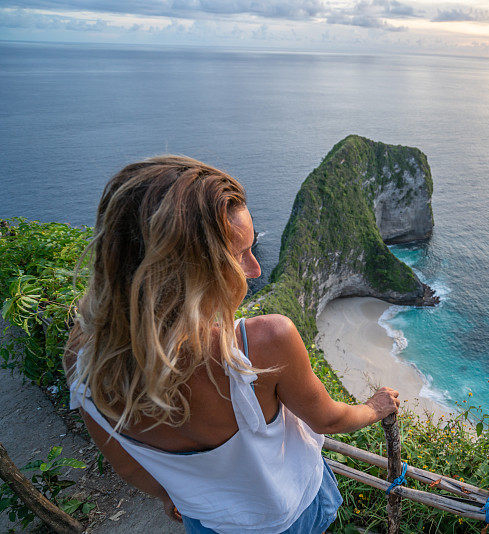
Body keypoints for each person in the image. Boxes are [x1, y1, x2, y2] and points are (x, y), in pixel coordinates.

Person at [63, 155, 400, 533]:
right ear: (187, 268)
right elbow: (329, 419)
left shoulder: (83, 361)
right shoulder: (264, 341)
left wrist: (170, 497)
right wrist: (375, 407)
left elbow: (127, 467)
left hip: (211, 522)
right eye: (239, 254)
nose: (255, 269)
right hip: (290, 512)